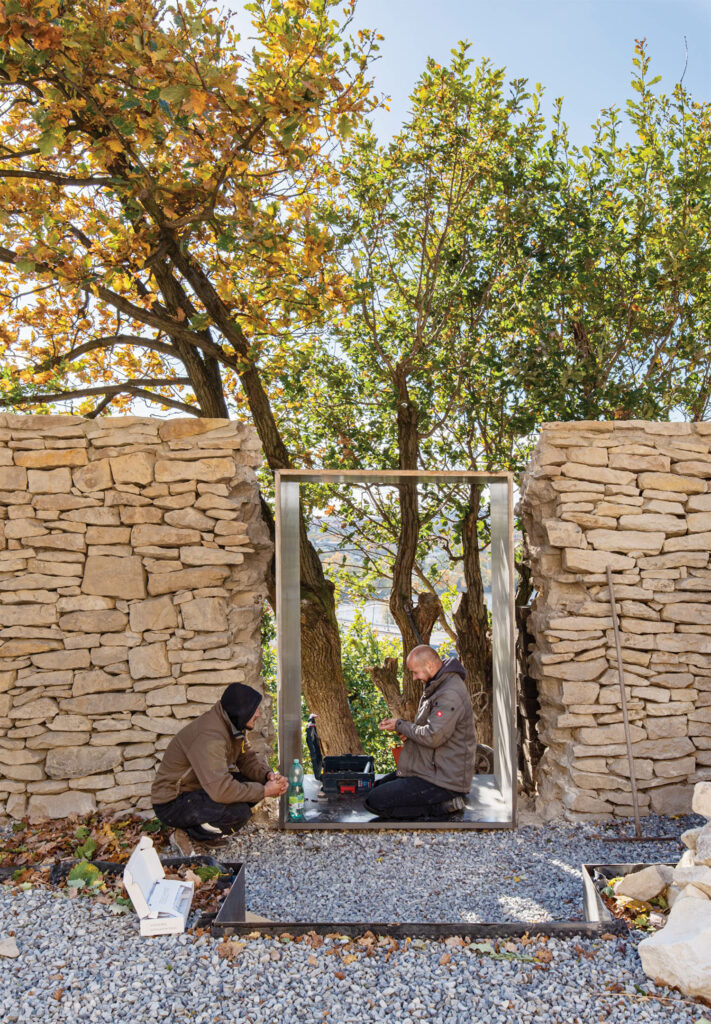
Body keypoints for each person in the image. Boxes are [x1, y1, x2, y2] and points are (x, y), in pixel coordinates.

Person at [152, 682, 288, 854]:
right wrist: (265, 791)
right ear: (241, 710)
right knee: (239, 813)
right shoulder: (210, 737)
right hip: (173, 802)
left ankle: (199, 827)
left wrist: (267, 776)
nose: (258, 714)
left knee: (256, 782)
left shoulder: (233, 724)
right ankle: (188, 833)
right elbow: (221, 791)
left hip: (201, 787)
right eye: (254, 710)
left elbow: (246, 759)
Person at [364, 645, 476, 820]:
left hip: (445, 780)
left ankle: (443, 806)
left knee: (375, 801)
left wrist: (400, 725)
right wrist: (406, 732)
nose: (414, 677)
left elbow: (433, 736)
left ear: (430, 666)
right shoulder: (439, 683)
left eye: (415, 672)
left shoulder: (449, 693)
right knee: (373, 789)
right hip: (430, 769)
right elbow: (433, 730)